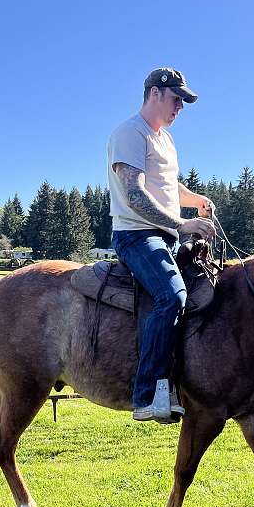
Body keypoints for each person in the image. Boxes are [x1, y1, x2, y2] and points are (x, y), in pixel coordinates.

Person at [107, 67, 215, 423]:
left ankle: (181, 383)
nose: (180, 107)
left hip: (164, 235)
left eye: (183, 101)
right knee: (172, 297)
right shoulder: (130, 133)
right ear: (154, 93)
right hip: (136, 235)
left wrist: (195, 199)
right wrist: (184, 223)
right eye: (176, 99)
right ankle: (146, 393)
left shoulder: (164, 140)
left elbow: (169, 190)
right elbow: (135, 194)